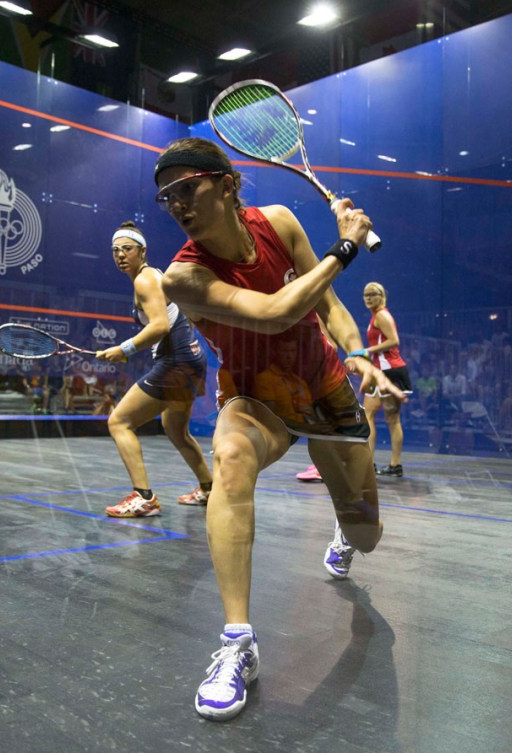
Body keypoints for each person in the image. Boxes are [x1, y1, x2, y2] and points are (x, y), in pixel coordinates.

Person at [154, 137, 399, 721]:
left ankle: (344, 531)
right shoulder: (181, 278)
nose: (178, 204)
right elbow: (277, 312)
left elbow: (327, 307)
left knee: (368, 536)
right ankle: (238, 642)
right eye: (168, 198)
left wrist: (358, 350)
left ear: (229, 183)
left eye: (189, 189)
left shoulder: (281, 223)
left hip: (325, 389)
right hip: (255, 396)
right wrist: (346, 244)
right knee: (231, 460)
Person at [95, 221, 214, 517]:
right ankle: (209, 488)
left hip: (177, 362)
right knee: (175, 429)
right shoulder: (154, 276)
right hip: (191, 359)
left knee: (119, 422)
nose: (120, 255)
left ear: (142, 251)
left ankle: (143, 497)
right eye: (115, 250)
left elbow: (160, 326)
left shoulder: (144, 280)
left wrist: (123, 349)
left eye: (127, 249)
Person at [360, 281, 412, 477]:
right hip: (380, 371)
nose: (368, 298)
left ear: (381, 296)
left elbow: (394, 341)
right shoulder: (376, 316)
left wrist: (368, 350)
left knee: (391, 419)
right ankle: (370, 464)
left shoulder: (382, 315)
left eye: (372, 294)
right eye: (365, 295)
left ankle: (394, 464)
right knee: (370, 415)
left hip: (391, 372)